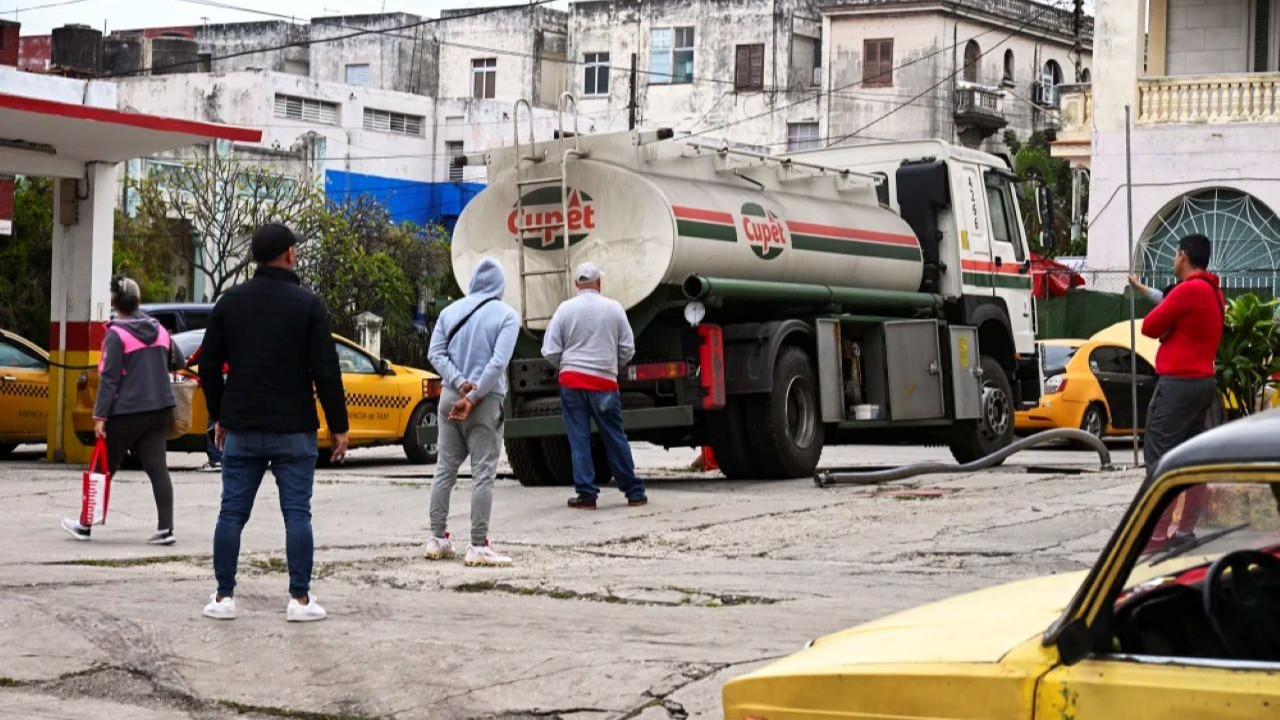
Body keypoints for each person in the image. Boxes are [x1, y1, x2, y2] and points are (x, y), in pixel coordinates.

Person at [198, 223, 349, 623]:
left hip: (242, 427)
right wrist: (339, 427)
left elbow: (208, 365)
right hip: (294, 429)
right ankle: (299, 600)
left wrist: (219, 414)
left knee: (231, 513)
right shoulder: (308, 305)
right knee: (297, 514)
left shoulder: (230, 302)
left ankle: (223, 597)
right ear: (289, 254)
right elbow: (326, 370)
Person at [62, 277, 180, 545]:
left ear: (115, 303)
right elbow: (179, 360)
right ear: (138, 301)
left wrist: (100, 416)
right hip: (160, 410)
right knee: (158, 469)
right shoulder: (160, 331)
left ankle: (85, 525)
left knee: (103, 467)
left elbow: (110, 379)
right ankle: (166, 529)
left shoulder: (116, 335)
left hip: (126, 413)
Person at [423, 257, 520, 566]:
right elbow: (498, 362)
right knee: (483, 473)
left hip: (450, 398)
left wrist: (459, 383)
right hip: (485, 402)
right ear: (500, 285)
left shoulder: (449, 312)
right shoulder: (507, 316)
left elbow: (435, 353)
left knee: (444, 468)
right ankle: (478, 545)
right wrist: (475, 395)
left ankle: (437, 539)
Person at [1140, 234, 1224, 549]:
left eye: (1175, 254)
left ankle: (1156, 536)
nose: (1173, 260)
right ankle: (1185, 531)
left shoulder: (1188, 290)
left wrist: (1168, 330)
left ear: (1183, 256)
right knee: (1193, 460)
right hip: (1203, 384)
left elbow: (1149, 326)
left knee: (1160, 460)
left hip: (1177, 385)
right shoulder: (1215, 292)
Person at [542, 262, 647, 510]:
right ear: (599, 283)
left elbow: (549, 350)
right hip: (604, 382)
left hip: (571, 382)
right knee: (615, 436)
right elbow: (628, 348)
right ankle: (634, 493)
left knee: (579, 439)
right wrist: (610, 365)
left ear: (576, 284)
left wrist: (567, 366)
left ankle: (587, 496)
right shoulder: (614, 308)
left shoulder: (564, 309)